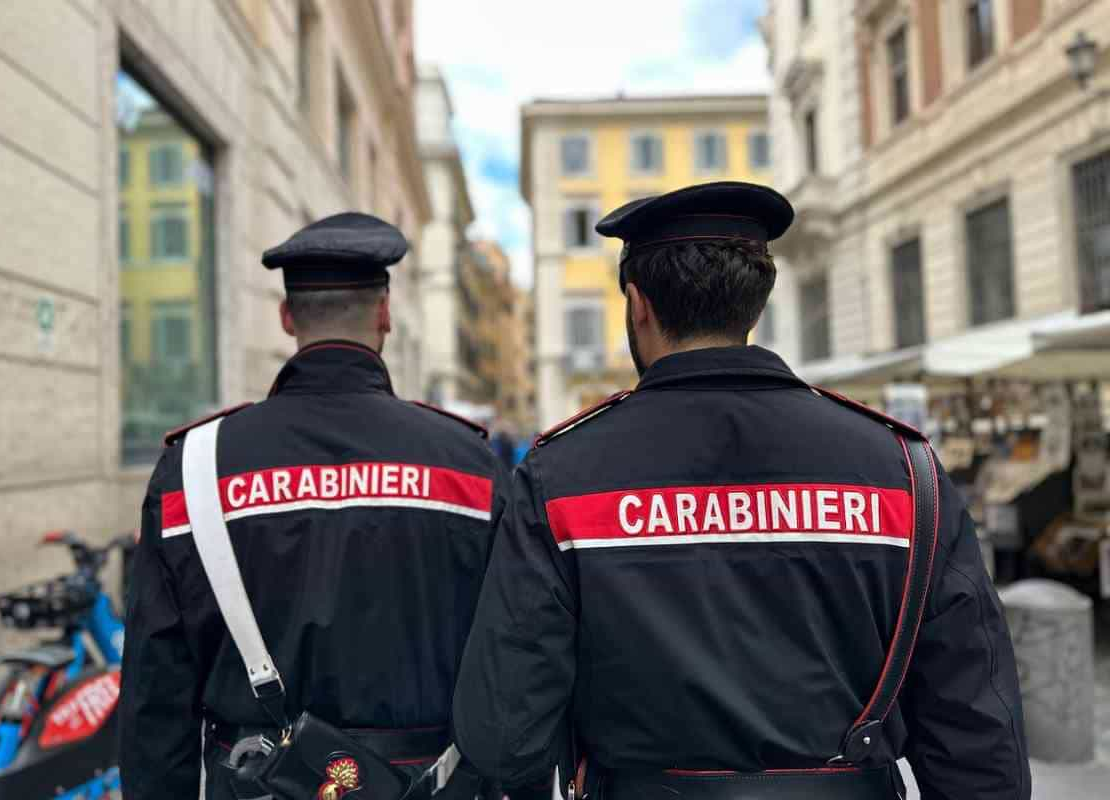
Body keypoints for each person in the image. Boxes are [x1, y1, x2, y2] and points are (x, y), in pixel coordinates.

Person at [451, 183, 1029, 800]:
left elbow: (505, 734)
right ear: (754, 308)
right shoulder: (903, 471)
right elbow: (976, 733)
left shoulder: (558, 477)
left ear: (637, 304)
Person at [120, 212, 508, 800]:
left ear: (286, 317)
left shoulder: (193, 470)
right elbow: (512, 661)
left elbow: (155, 694)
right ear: (385, 314)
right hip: (428, 783)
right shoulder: (468, 467)